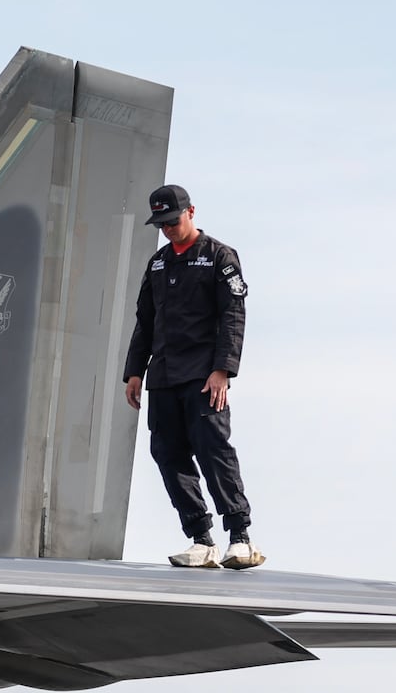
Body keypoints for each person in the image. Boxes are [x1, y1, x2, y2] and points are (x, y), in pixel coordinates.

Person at [122, 184, 264, 570]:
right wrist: (134, 372)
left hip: (204, 374)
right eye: (161, 223)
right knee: (167, 453)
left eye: (173, 220)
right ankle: (201, 538)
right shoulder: (158, 263)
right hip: (164, 375)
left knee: (213, 449)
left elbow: (233, 316)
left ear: (191, 212)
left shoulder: (220, 256)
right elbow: (145, 321)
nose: (168, 229)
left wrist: (223, 370)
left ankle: (240, 537)